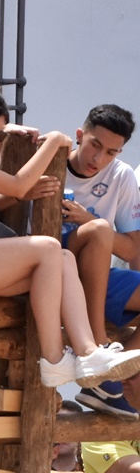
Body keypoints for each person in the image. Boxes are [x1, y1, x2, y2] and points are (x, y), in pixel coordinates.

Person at [0, 81, 140, 399]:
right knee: (52, 247)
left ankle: (90, 356)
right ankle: (58, 358)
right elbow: (16, 185)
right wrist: (54, 140)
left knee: (63, 255)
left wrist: (10, 138)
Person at [62, 104, 140, 416]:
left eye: (111, 152)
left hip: (96, 278)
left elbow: (132, 249)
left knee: (99, 228)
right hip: (50, 274)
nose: (99, 158)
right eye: (95, 145)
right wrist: (95, 227)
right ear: (79, 135)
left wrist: (87, 219)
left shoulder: (122, 175)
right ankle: (97, 348)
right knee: (99, 229)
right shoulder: (51, 159)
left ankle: (111, 381)